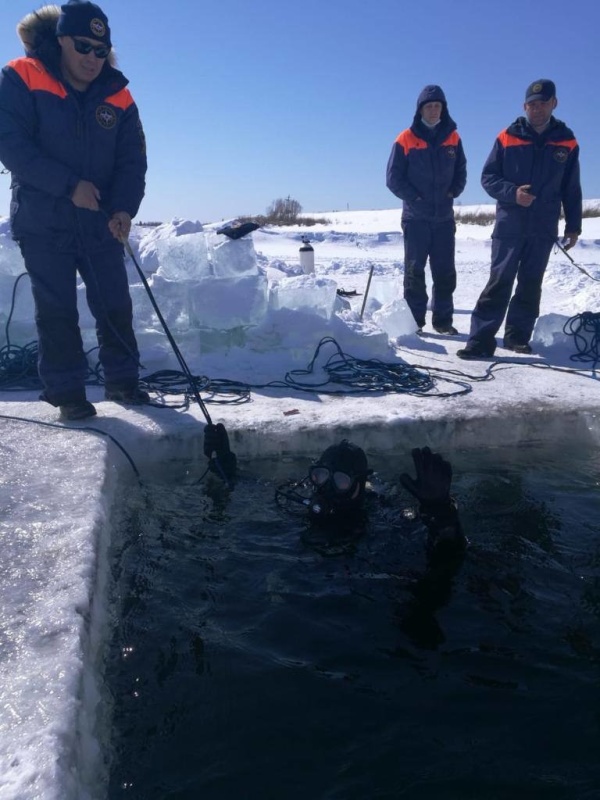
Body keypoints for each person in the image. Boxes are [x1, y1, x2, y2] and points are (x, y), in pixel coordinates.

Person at [0, 1, 149, 420]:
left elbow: (132, 159)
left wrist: (123, 207)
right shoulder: (20, 76)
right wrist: (68, 187)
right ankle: (67, 394)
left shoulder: (118, 93)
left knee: (115, 303)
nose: (92, 58)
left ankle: (123, 382)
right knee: (58, 308)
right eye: (83, 47)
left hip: (101, 221)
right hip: (43, 220)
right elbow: (11, 145)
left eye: (101, 51)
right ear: (62, 40)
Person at [457, 79, 582, 359]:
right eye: (532, 104)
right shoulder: (507, 137)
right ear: (525, 106)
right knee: (499, 280)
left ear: (554, 103)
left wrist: (573, 225)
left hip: (543, 226)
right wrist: (513, 193)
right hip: (510, 225)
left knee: (530, 282)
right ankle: (480, 340)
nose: (537, 109)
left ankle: (517, 337)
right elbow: (488, 178)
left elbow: (571, 188)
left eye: (543, 103)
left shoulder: (567, 141)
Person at [276, 439, 466, 564]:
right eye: (320, 476)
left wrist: (441, 514)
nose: (327, 487)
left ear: (359, 482)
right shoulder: (296, 500)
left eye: (341, 481)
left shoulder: (381, 511)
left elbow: (443, 557)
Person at [386, 85, 467, 336]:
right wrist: (415, 198)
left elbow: (461, 171)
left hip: (443, 218)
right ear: (420, 109)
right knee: (414, 272)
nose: (433, 110)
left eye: (437, 106)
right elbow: (393, 178)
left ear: (443, 108)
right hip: (416, 219)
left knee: (444, 272)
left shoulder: (453, 138)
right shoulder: (405, 138)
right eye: (429, 106)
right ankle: (415, 322)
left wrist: (453, 191)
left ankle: (443, 321)